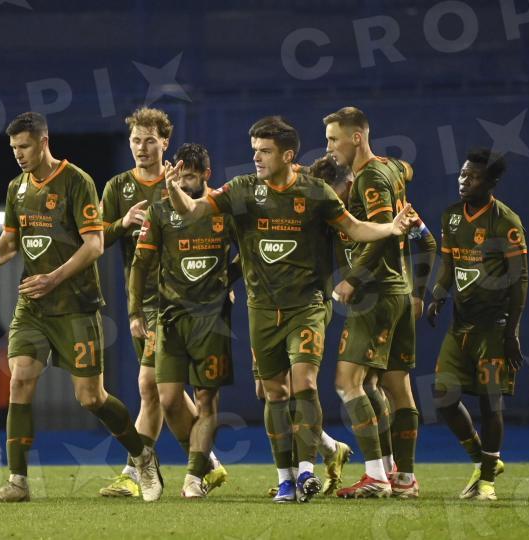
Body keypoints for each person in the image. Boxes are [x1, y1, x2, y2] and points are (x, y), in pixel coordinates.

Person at [165, 116, 415, 503]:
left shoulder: (315, 191)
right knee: (274, 392)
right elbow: (194, 211)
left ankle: (306, 472)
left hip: (307, 306)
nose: (256, 157)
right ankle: (285, 478)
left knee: (306, 384)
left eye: (264, 151)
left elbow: (353, 227)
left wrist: (389, 229)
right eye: (254, 150)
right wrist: (172, 190)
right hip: (263, 309)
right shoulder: (242, 190)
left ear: (287, 155)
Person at [0, 112, 162, 503]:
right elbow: (10, 242)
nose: (19, 154)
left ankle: (141, 455)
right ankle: (18, 481)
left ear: (43, 142)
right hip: (33, 305)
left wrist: (54, 277)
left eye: (24, 146)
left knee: (91, 398)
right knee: (19, 378)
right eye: (14, 148)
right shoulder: (17, 188)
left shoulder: (77, 182)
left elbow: (95, 245)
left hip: (76, 305)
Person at [99, 108, 226, 497]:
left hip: (176, 302)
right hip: (144, 300)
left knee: (149, 385)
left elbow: (212, 224)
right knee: (158, 389)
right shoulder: (118, 187)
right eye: (135, 140)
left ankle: (136, 469)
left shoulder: (180, 182)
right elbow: (94, 239)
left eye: (149, 140)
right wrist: (121, 224)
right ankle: (206, 464)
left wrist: (224, 277)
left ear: (164, 143)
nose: (141, 148)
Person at [325, 107, 422, 498]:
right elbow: (407, 170)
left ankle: (377, 476)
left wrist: (352, 278)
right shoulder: (390, 168)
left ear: (356, 138)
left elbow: (385, 233)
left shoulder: (369, 178)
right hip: (399, 292)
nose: (329, 147)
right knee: (393, 386)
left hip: (377, 293)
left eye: (334, 139)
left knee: (347, 383)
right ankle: (403, 477)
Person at [131, 143, 237, 498]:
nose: (184, 183)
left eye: (191, 176)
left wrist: (228, 281)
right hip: (171, 317)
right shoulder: (160, 212)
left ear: (206, 174)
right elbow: (140, 264)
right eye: (180, 177)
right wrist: (134, 312)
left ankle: (194, 476)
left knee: (206, 398)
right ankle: (206, 463)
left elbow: (249, 253)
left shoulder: (225, 207)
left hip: (213, 318)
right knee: (168, 398)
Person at [428, 148, 527, 501]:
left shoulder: (506, 222)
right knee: (443, 397)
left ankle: (487, 483)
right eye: (462, 174)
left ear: (491, 182)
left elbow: (519, 280)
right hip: (460, 325)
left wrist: (512, 332)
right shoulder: (452, 216)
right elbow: (450, 264)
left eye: (473, 177)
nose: (464, 181)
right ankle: (482, 459)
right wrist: (438, 295)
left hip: (494, 328)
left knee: (490, 402)